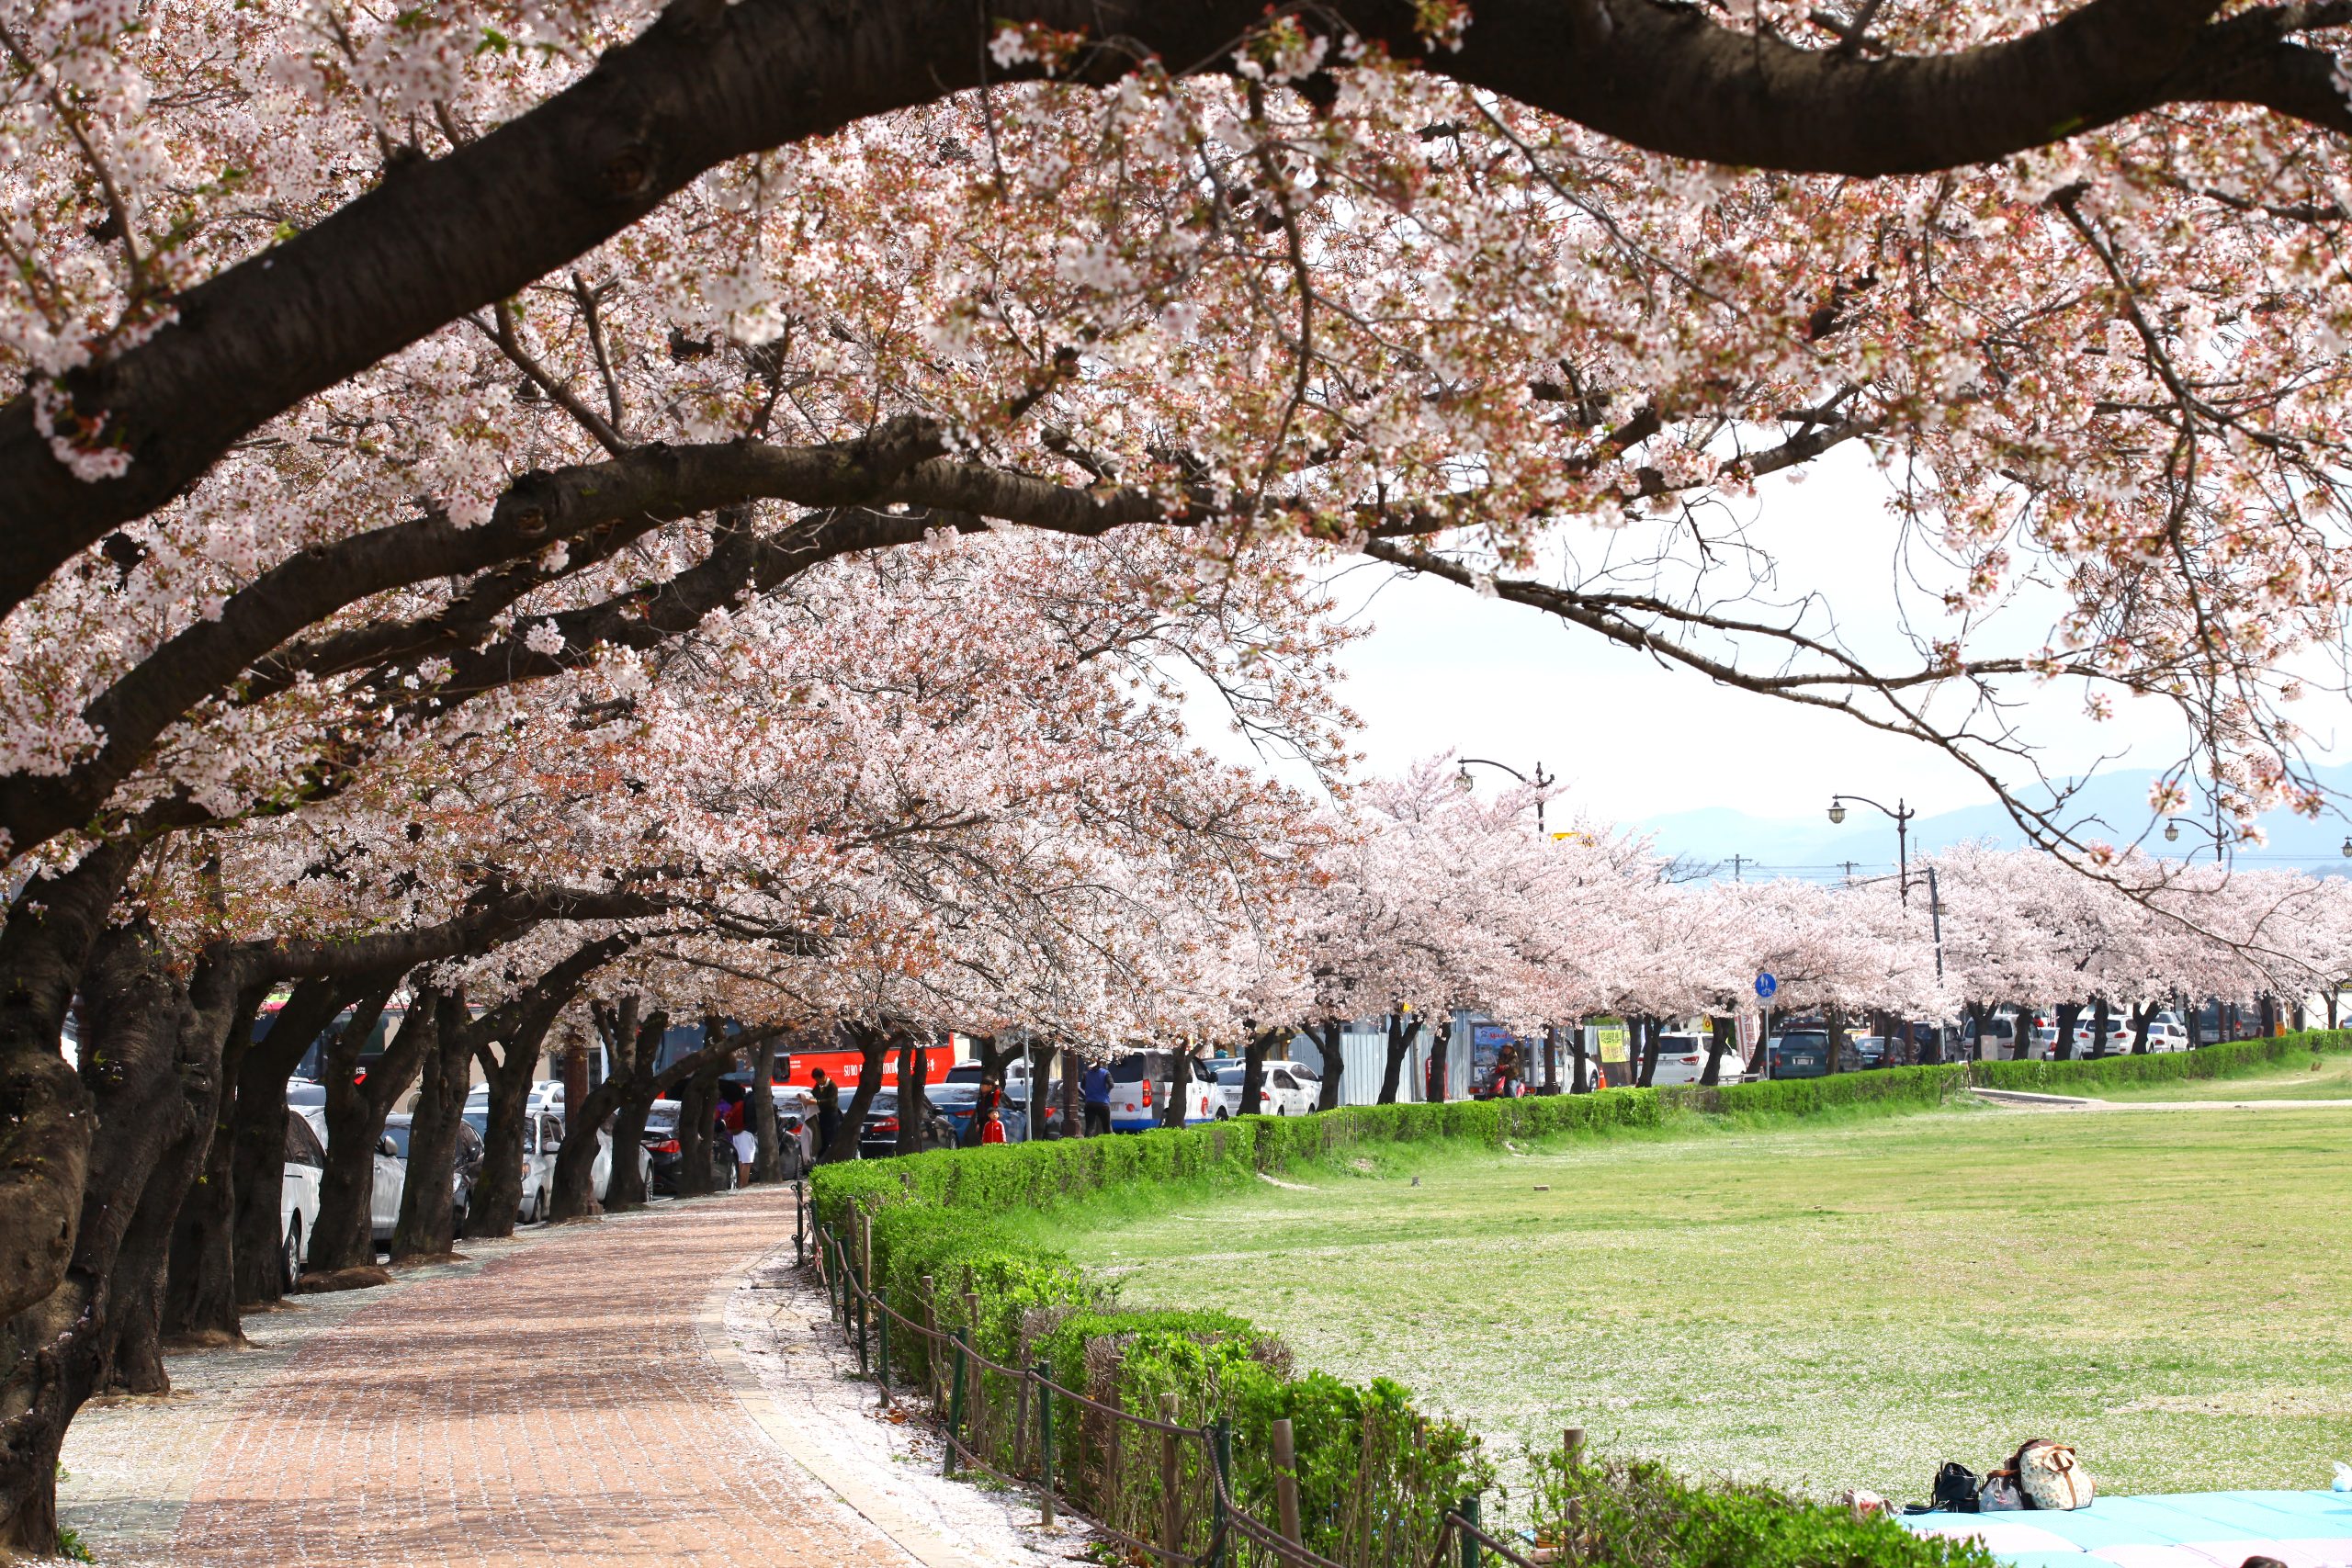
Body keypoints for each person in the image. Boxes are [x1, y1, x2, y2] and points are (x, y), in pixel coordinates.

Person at [810, 1068, 840, 1159]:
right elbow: (813, 1093)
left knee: (829, 1138)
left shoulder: (832, 1086)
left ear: (823, 1077)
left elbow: (831, 1101)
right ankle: (821, 1159)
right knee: (822, 1139)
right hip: (822, 1115)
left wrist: (817, 1102)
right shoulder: (818, 1086)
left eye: (818, 1080)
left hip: (831, 1115)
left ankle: (831, 1158)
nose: (817, 1082)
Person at [1081, 1058, 1112, 1137]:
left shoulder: (1086, 1074)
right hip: (1103, 1103)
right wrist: (1106, 1092)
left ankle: (1087, 1145)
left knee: (1090, 1127)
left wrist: (1089, 1091)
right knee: (1107, 1128)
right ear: (1100, 1064)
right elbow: (1111, 1085)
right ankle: (1108, 1144)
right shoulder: (1105, 1073)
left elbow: (1082, 1086)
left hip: (1090, 1103)